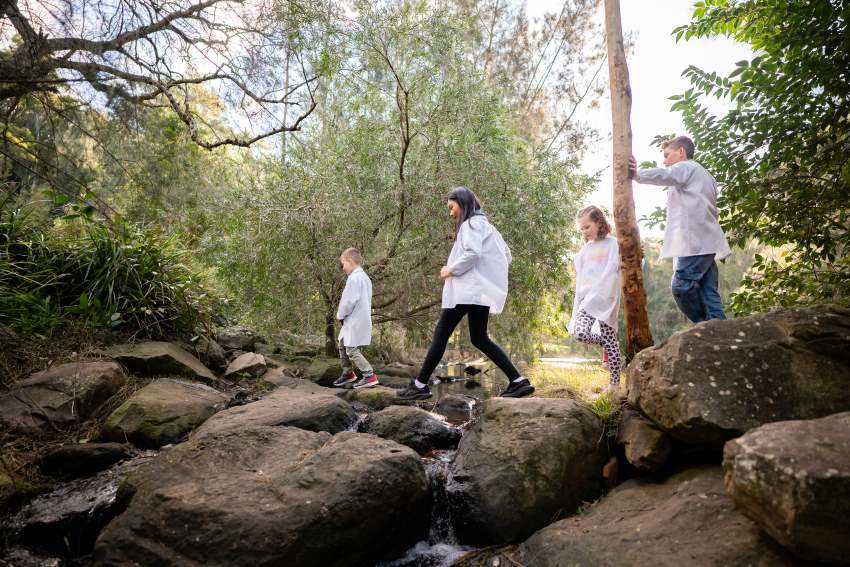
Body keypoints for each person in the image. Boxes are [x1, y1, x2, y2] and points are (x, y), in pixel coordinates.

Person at [397, 187, 533, 400]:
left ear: (463, 203)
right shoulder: (488, 227)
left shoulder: (470, 225)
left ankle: (420, 385)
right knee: (479, 338)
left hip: (466, 291)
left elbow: (473, 253)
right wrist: (486, 277)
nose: (450, 213)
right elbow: (506, 256)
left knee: (441, 335)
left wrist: (450, 269)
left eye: (452, 207)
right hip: (479, 292)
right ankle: (518, 381)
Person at [629, 136, 731, 323]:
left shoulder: (687, 167)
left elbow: (664, 175)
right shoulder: (706, 175)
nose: (664, 161)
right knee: (709, 294)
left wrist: (637, 174)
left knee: (681, 286)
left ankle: (704, 326)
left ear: (681, 152)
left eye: (668, 155)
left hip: (695, 243)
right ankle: (720, 330)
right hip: (708, 242)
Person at [567, 205, 623, 388]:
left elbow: (616, 268)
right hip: (586, 299)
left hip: (604, 298)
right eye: (582, 228)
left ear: (599, 222)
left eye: (587, 227)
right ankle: (609, 345)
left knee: (609, 337)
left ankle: (614, 386)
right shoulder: (586, 249)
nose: (584, 231)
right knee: (580, 332)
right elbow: (582, 273)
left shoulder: (613, 243)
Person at [332, 248, 379, 389]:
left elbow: (348, 301)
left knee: (351, 349)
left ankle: (369, 375)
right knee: (342, 343)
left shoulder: (354, 278)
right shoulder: (364, 277)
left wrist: (340, 315)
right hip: (360, 318)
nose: (343, 267)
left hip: (355, 318)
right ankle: (348, 373)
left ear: (350, 261)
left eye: (344, 263)